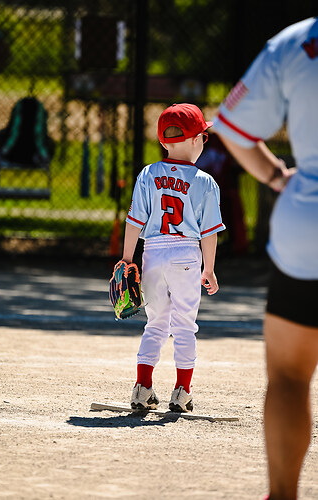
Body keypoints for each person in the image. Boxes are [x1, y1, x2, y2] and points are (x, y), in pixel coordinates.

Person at [212, 17, 318, 500]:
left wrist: (276, 176)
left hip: (310, 230)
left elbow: (232, 129)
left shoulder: (298, 42)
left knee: (291, 376)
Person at [121, 103, 225, 412]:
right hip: (186, 253)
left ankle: (142, 387)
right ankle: (182, 391)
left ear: (163, 141)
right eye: (203, 137)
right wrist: (209, 268)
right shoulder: (205, 182)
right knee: (184, 325)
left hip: (152, 252)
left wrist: (127, 259)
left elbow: (134, 220)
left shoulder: (148, 173)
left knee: (155, 323)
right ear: (196, 141)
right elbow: (209, 231)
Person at [196, 132, 248, 255]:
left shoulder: (221, 143)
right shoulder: (189, 152)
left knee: (232, 208)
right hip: (204, 193)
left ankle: (236, 246)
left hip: (224, 189)